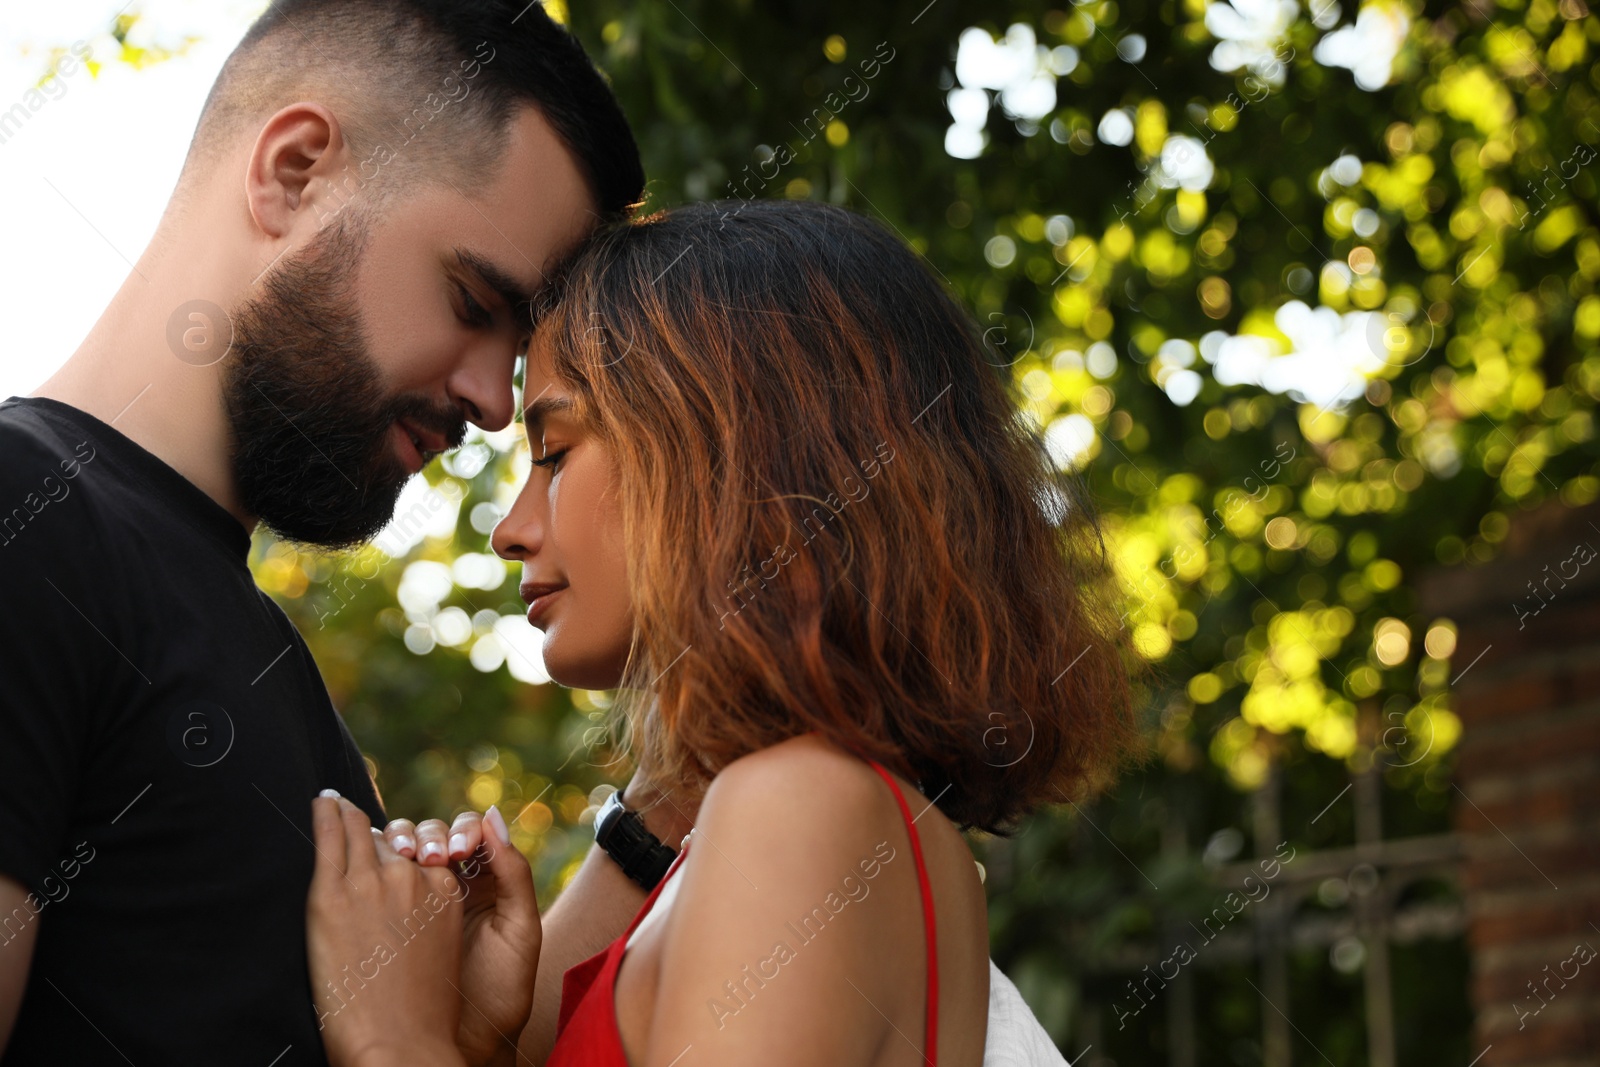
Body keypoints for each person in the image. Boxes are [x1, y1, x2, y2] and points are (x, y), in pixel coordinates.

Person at [306, 199, 1138, 1065]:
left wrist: (393, 1043)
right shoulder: (841, 814)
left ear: (732, 453)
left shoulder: (803, 808)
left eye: (553, 453)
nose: (510, 527)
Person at [0, 1, 642, 1062]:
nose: (492, 402)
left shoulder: (280, 686)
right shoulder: (26, 523)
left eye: (517, 352)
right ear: (293, 171)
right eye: (472, 298)